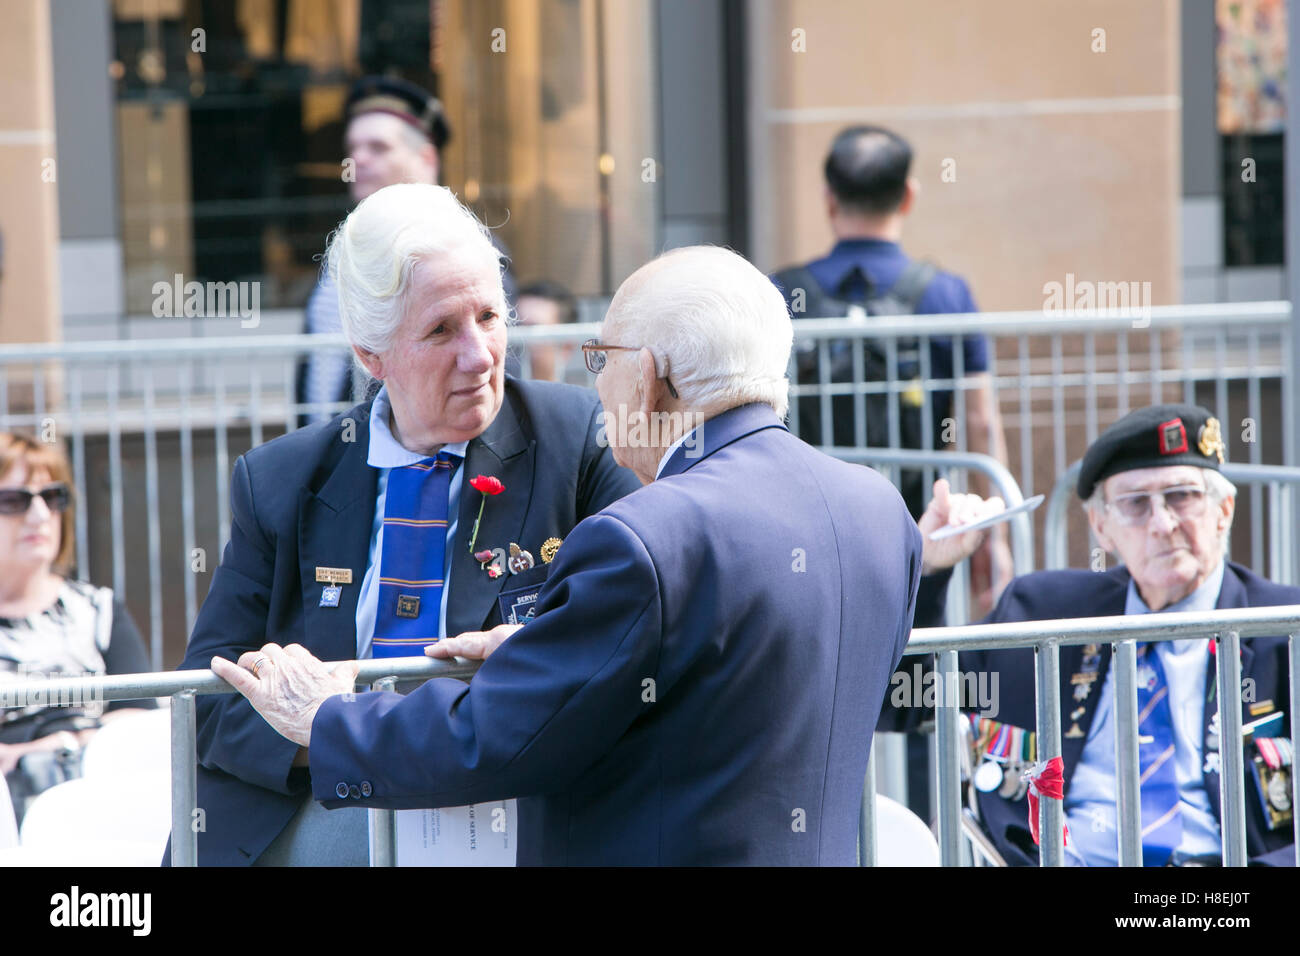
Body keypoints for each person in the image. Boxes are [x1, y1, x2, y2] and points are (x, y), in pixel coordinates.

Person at [210, 245, 925, 866]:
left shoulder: (646, 537)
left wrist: (327, 716)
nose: (596, 385)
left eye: (602, 359)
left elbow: (492, 738)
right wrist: (544, 649)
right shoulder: (876, 508)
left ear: (647, 376)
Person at [171, 183, 640, 866]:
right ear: (370, 354)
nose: (479, 355)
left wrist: (359, 727)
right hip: (330, 804)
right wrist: (328, 737)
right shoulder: (281, 479)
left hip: (509, 797)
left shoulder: (581, 442)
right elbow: (202, 700)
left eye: (489, 316)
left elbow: (631, 653)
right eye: (442, 330)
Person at [917, 403, 1296, 866]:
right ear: (1102, 529)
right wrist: (928, 567)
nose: (1162, 524)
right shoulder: (1043, 614)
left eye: (1181, 496)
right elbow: (906, 693)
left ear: (1223, 510)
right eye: (1136, 504)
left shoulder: (1284, 625)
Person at [770, 124, 1012, 613]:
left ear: (828, 198)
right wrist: (994, 539)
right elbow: (981, 421)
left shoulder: (779, 293)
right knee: (916, 671)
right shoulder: (946, 295)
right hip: (917, 533)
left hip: (805, 533)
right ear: (908, 196)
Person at [296, 76, 518, 426]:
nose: (358, 160)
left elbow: (491, 372)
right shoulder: (345, 257)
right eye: (353, 147)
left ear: (426, 158)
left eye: (378, 148)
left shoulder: (469, 255)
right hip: (336, 460)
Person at [0, 433, 154, 824]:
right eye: (15, 500)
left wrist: (57, 745)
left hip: (99, 807)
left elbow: (141, 722)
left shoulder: (98, 609)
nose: (39, 515)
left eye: (51, 497)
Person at [514, 280, 584, 384]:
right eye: (514, 326)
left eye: (532, 331)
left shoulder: (583, 399)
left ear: (567, 347)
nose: (516, 339)